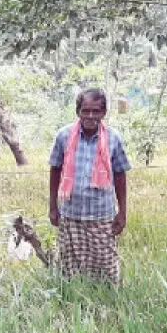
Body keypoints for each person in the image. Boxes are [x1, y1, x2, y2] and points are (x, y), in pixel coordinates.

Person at [49, 88, 132, 284]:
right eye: (85, 111)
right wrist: (52, 207)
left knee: (107, 266)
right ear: (78, 111)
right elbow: (55, 171)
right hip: (70, 213)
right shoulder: (63, 136)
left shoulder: (113, 138)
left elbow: (120, 175)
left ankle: (107, 302)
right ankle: (73, 301)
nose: (90, 116)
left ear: (103, 113)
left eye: (96, 111)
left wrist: (122, 212)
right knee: (70, 268)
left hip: (101, 214)